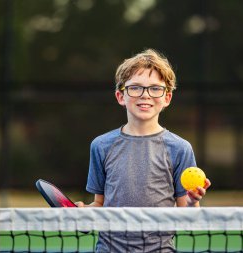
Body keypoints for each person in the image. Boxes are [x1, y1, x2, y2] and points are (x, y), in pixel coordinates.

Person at [76, 48, 211, 252]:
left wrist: (192, 202)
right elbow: (100, 205)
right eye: (135, 88)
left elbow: (188, 218)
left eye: (155, 88)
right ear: (121, 96)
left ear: (167, 98)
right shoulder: (101, 145)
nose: (145, 95)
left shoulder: (180, 149)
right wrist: (83, 212)